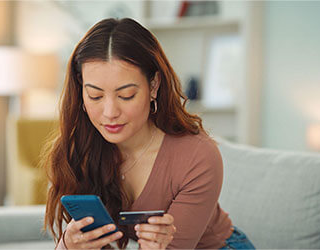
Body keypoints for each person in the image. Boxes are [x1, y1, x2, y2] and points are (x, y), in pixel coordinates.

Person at [42, 17, 255, 249]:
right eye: (95, 96)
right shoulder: (80, 149)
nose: (110, 112)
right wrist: (68, 245)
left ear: (153, 86)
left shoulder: (197, 156)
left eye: (126, 95)